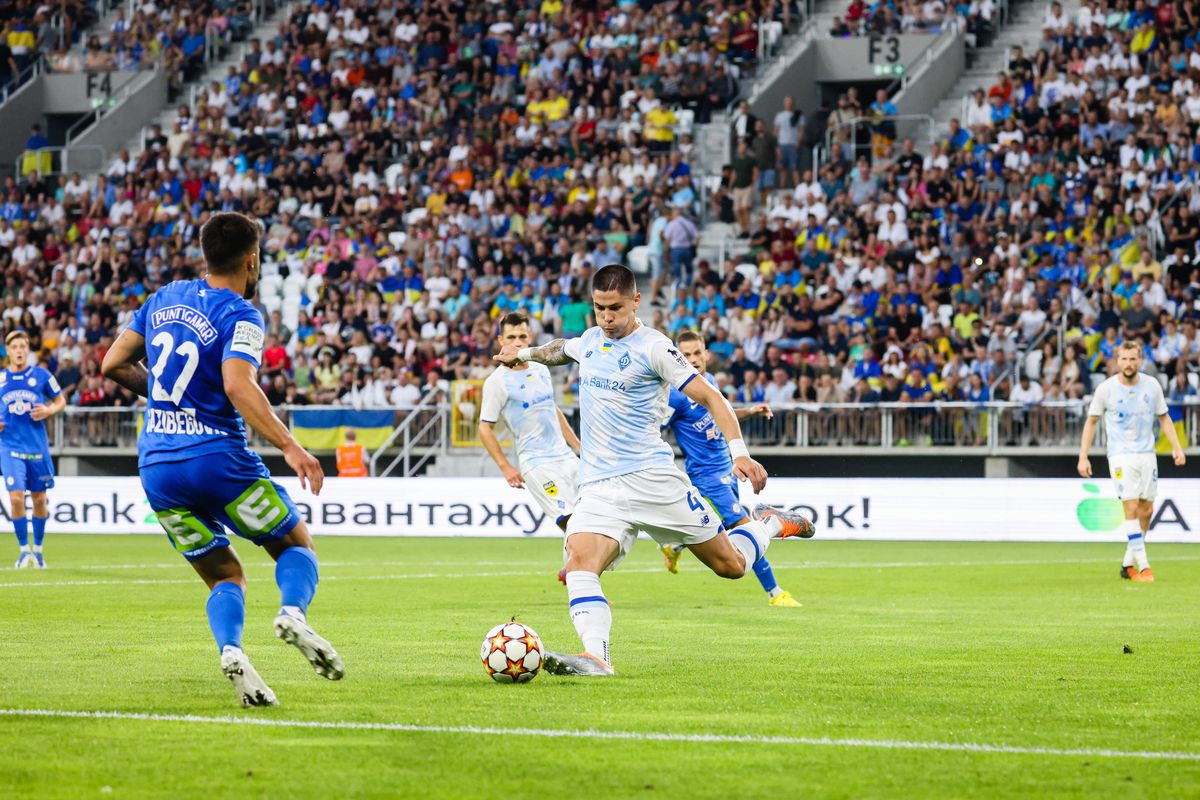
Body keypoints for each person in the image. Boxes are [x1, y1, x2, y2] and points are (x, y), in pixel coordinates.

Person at [494, 264, 812, 677]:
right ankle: (597, 658)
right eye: (599, 308)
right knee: (579, 563)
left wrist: (740, 452)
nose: (606, 318)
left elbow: (713, 398)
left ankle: (768, 523)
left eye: (615, 308)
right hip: (599, 486)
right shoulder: (590, 340)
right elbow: (559, 348)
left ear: (636, 301)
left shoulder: (655, 348)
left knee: (730, 566)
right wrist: (521, 354)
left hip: (653, 480)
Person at [101, 212, 343, 706]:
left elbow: (111, 363)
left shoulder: (162, 298)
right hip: (218, 461)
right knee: (296, 546)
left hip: (158, 470)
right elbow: (237, 384)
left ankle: (232, 650)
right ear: (252, 259)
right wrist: (291, 446)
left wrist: (169, 395)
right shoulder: (241, 314)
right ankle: (293, 614)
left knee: (224, 576)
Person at [661, 330, 812, 606]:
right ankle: (776, 593)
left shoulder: (708, 382)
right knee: (744, 525)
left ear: (706, 354)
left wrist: (749, 412)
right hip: (706, 476)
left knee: (719, 529)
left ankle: (674, 545)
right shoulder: (676, 396)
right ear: (677, 357)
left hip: (729, 470)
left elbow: (720, 414)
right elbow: (657, 427)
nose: (693, 360)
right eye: (685, 355)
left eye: (697, 353)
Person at [1077, 341, 1186, 583]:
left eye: (1133, 359)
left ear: (1140, 360)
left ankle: (1128, 564)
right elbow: (1091, 422)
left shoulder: (1152, 385)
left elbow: (1164, 418)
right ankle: (1144, 566)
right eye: (1124, 359)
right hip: (1120, 455)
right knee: (1132, 508)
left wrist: (1177, 448)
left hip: (1147, 454)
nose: (1128, 364)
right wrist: (1083, 456)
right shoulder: (1106, 389)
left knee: (1147, 510)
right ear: (1118, 361)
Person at [479, 311, 581, 531]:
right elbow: (485, 428)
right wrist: (505, 467)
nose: (517, 343)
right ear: (500, 341)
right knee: (571, 523)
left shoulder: (541, 368)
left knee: (591, 519)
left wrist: (577, 446)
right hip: (537, 463)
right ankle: (575, 567)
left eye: (522, 337)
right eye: (511, 337)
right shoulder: (497, 382)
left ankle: (575, 566)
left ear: (530, 337)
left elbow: (551, 409)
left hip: (566, 457)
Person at [1, 330, 66, 568]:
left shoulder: (41, 375)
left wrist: (49, 410)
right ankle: (23, 550)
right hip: (9, 446)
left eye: (22, 346)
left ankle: (38, 550)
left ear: (27, 351)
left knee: (39, 499)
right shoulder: (0, 379)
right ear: (8, 351)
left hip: (37, 447)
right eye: (14, 347)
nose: (18, 351)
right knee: (16, 497)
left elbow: (61, 401)